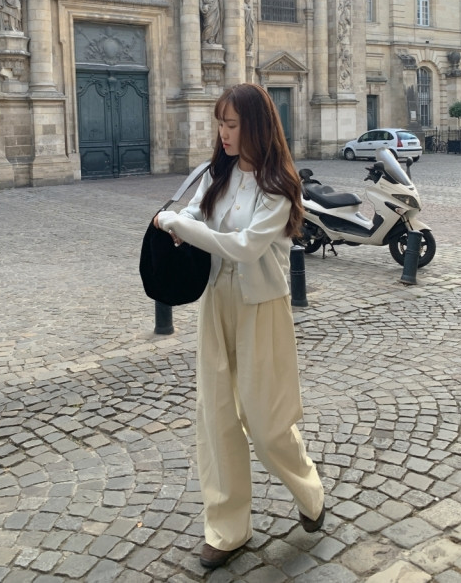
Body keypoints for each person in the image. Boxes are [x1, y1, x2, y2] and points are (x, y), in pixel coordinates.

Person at [154, 83, 325, 570]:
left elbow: (246, 247)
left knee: (267, 423)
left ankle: (309, 493)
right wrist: (179, 223)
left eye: (231, 124)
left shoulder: (279, 187)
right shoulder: (217, 174)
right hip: (217, 302)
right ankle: (227, 528)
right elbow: (192, 212)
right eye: (220, 124)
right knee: (216, 416)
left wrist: (182, 226)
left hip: (262, 308)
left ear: (256, 126)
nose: (223, 134)